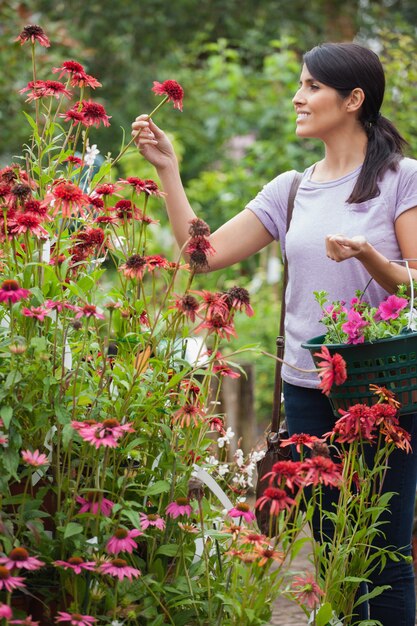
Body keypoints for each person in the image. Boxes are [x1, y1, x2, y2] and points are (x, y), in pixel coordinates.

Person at [132, 42, 417, 625]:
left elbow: (415, 283)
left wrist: (371, 259)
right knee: (336, 551)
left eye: (312, 86)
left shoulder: (400, 179)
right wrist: (169, 171)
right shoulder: (290, 188)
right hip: (308, 394)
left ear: (353, 99)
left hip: (381, 393)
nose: (298, 96)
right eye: (301, 84)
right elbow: (200, 257)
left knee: (382, 552)